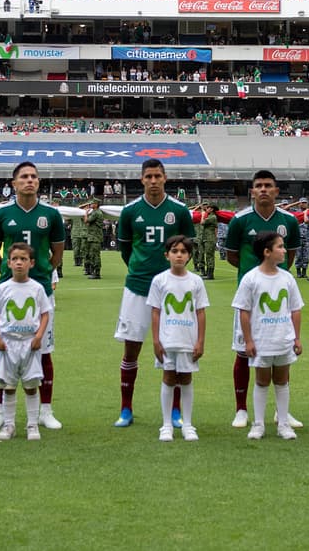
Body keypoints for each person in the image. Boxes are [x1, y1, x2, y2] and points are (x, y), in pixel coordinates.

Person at [113, 158, 196, 428]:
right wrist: (141, 269)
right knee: (131, 350)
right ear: (141, 179)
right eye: (148, 176)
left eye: (157, 176)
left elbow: (187, 249)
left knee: (173, 350)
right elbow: (126, 250)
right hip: (137, 286)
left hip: (171, 289)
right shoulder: (129, 211)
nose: (153, 181)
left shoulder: (179, 211)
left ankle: (175, 411)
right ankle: (126, 409)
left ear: (165, 178)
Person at [0, 161, 66, 431]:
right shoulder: (1, 214)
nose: (29, 180)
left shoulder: (51, 215)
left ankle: (46, 410)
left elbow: (57, 253)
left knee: (43, 350)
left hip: (41, 289)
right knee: (3, 350)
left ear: (39, 182)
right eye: (24, 177)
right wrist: (12, 277)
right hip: (9, 291)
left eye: (33, 176)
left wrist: (39, 274)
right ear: (14, 183)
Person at [224, 170, 301, 430]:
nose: (264, 189)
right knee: (243, 352)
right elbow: (232, 255)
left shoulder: (289, 221)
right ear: (252, 192)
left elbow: (289, 256)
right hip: (250, 297)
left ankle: (282, 413)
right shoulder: (239, 220)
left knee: (282, 351)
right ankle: (241, 409)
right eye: (259, 186)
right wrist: (254, 275)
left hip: (278, 297)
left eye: (269, 185)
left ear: (277, 191)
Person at [234, 232, 304, 440]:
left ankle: (283, 424)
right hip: (262, 340)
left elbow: (296, 309)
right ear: (267, 252)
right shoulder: (251, 279)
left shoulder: (287, 278)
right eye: (280, 247)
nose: (284, 250)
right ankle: (258, 424)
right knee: (262, 381)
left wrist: (297, 338)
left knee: (282, 381)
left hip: (283, 338)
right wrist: (248, 340)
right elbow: (244, 311)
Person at [0, 242, 53, 442]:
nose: (18, 263)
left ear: (31, 263)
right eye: (15, 259)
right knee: (8, 386)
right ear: (8, 263)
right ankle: (9, 425)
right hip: (8, 344)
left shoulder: (37, 288)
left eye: (23, 259)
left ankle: (32, 425)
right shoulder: (3, 288)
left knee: (31, 385)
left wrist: (39, 336)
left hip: (29, 343)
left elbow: (44, 314)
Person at [148, 235, 208, 442]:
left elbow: (200, 312)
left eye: (183, 252)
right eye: (175, 251)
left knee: (186, 379)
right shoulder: (160, 280)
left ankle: (188, 424)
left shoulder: (196, 281)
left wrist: (200, 341)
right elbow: (155, 312)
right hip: (167, 340)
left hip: (188, 339)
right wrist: (156, 341)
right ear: (167, 255)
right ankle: (166, 425)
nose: (179, 255)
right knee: (168, 377)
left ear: (189, 256)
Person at [195, 203, 218, 280]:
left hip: (209, 239)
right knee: (203, 255)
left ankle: (210, 274)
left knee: (209, 256)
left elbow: (202, 222)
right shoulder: (208, 216)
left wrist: (203, 214)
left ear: (212, 209)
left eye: (208, 208)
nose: (206, 209)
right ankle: (205, 273)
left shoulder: (213, 217)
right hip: (204, 238)